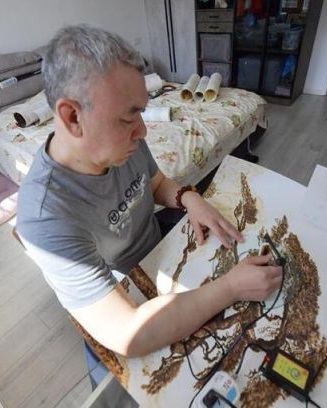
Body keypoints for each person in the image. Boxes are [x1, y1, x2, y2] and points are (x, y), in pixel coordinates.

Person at [16, 25, 282, 361]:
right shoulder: (44, 218)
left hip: (162, 253)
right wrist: (231, 288)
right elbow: (126, 333)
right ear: (72, 117)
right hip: (125, 291)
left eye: (141, 113)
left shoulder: (121, 146)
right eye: (128, 119)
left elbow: (154, 183)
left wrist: (188, 197)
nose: (143, 132)